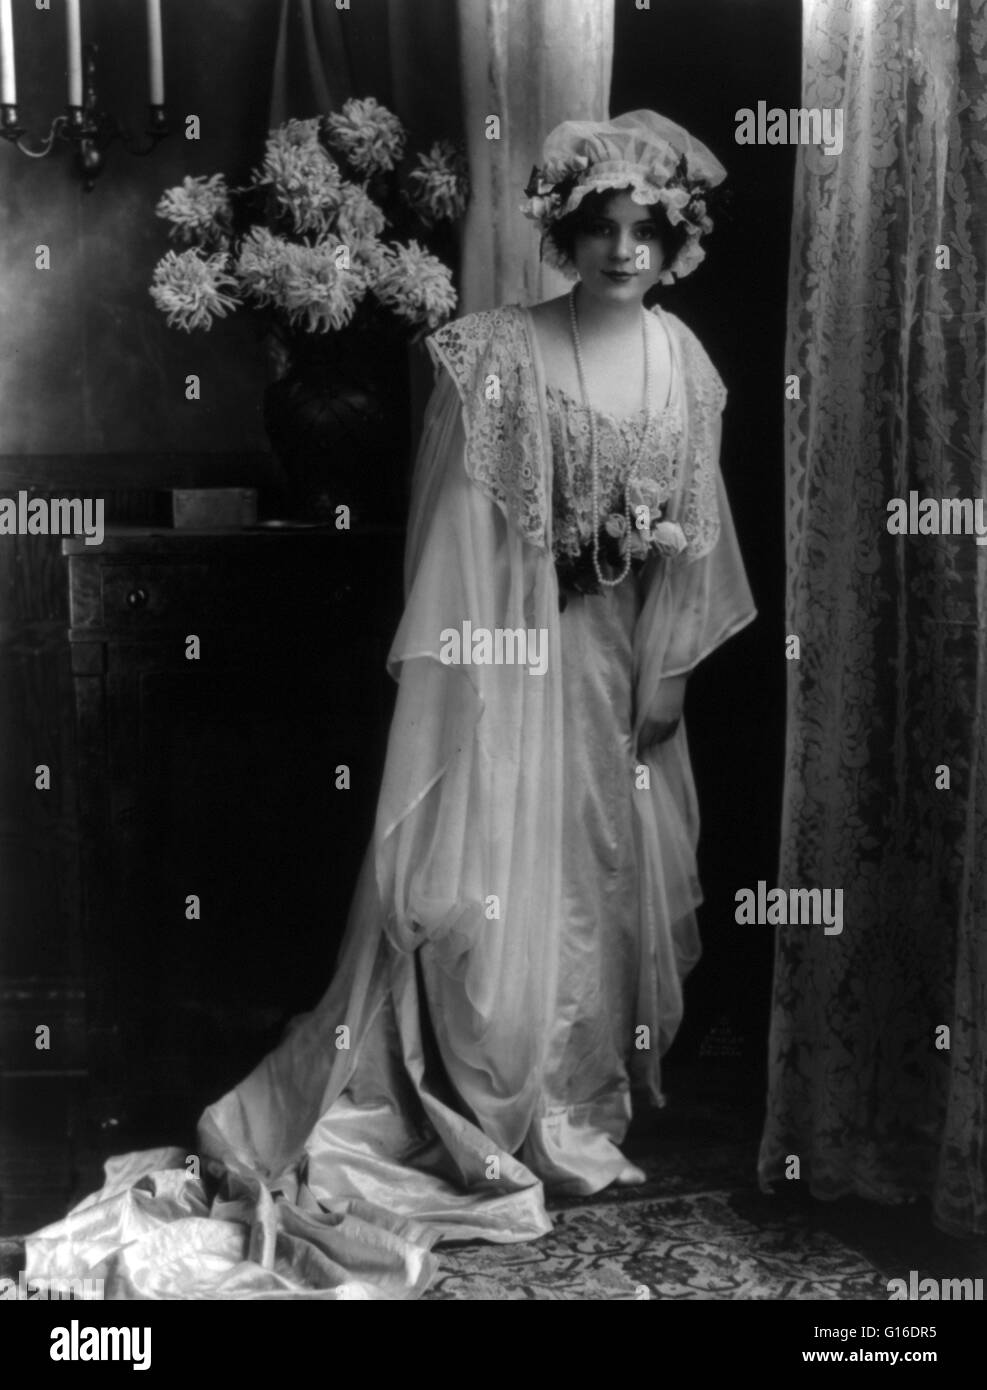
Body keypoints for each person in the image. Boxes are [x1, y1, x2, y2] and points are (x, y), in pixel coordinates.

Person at [23, 111, 757, 1300]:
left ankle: (571, 1108)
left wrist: (666, 666)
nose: (623, 250)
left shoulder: (685, 362)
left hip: (623, 665)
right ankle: (475, 1104)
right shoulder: (499, 355)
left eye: (645, 231)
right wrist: (494, 667)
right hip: (509, 663)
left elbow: (696, 540)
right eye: (600, 227)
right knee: (481, 898)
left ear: (676, 244)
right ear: (562, 233)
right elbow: (457, 546)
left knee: (608, 883)